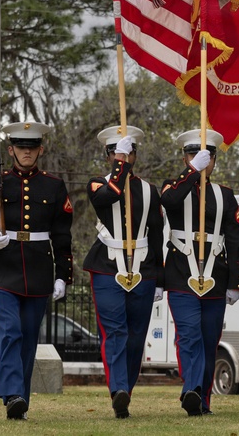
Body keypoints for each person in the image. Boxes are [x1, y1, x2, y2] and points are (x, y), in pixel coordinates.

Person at [0, 121, 73, 420]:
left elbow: (62, 235)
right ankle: (14, 393)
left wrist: (63, 275)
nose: (26, 152)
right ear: (10, 150)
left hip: (38, 269)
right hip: (3, 271)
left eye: (31, 147)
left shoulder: (54, 186)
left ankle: (18, 402)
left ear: (40, 149)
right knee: (10, 331)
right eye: (20, 147)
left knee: (29, 338)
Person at [160, 128, 239, 416]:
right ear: (186, 157)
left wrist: (236, 282)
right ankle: (191, 389)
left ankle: (202, 400)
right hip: (181, 274)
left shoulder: (225, 196)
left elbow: (235, 240)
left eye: (206, 156)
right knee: (189, 335)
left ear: (215, 160)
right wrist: (192, 172)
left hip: (216, 277)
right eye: (194, 154)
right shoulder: (173, 186)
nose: (200, 159)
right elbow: (169, 203)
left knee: (209, 341)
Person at [82, 126, 164, 419]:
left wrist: (161, 280)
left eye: (129, 152)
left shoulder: (149, 190)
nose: (123, 157)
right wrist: (120, 164)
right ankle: (117, 389)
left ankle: (125, 393)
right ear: (108, 156)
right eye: (115, 153)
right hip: (107, 265)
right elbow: (107, 198)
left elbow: (157, 234)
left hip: (143, 266)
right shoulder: (97, 183)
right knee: (115, 332)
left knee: (135, 336)